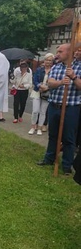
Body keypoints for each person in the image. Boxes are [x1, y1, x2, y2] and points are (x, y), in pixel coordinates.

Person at [37, 43, 81, 175]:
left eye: (60, 52)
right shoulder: (56, 67)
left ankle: (67, 165)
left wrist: (73, 77)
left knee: (69, 138)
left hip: (71, 107)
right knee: (53, 135)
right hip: (54, 106)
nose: (57, 54)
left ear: (69, 52)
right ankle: (49, 158)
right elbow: (50, 83)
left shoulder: (79, 67)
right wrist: (61, 82)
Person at [28, 53, 54, 135]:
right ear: (44, 60)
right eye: (46, 60)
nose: (48, 62)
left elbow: (54, 82)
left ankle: (40, 127)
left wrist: (47, 87)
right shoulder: (39, 69)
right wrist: (39, 86)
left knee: (43, 112)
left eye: (50, 60)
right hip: (37, 91)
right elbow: (35, 79)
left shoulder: (54, 70)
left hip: (47, 93)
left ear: (52, 62)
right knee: (35, 111)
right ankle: (33, 127)